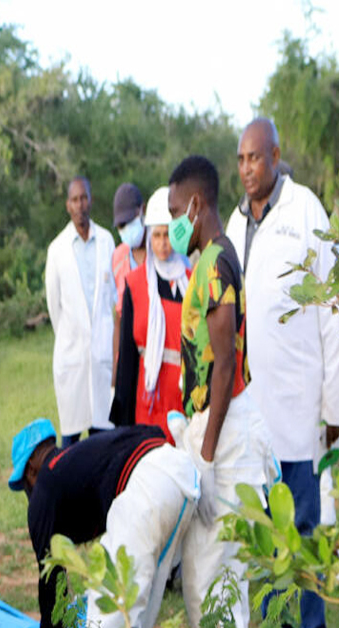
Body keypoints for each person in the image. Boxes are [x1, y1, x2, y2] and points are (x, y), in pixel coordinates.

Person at [225, 118, 339, 628]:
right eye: (241, 160)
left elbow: (332, 313)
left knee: (307, 542)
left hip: (302, 413)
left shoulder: (306, 211)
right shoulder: (233, 223)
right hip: (256, 424)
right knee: (267, 548)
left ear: (275, 154)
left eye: (256, 157)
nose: (248, 168)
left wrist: (334, 404)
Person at [166, 155, 276, 627]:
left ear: (196, 204)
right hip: (222, 425)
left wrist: (206, 456)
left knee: (214, 584)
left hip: (225, 434)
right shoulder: (219, 252)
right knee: (215, 580)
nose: (172, 225)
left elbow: (225, 362)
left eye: (174, 213)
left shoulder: (213, 264)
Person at [10, 419, 198, 628]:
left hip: (147, 486)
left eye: (25, 484)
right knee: (139, 612)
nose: (28, 491)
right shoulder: (78, 461)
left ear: (30, 469)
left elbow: (50, 584)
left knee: (109, 613)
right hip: (182, 471)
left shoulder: (43, 488)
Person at [108, 187, 189, 440]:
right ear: (149, 236)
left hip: (181, 406)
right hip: (148, 405)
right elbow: (128, 360)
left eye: (168, 235)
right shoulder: (135, 284)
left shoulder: (191, 283)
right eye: (157, 235)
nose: (163, 243)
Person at [44, 177, 116, 444]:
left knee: (104, 439)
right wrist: (72, 335)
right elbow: (55, 307)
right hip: (71, 356)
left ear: (91, 200)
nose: (80, 205)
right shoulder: (57, 249)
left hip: (101, 356)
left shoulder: (107, 241)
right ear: (67, 205)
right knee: (71, 443)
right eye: (74, 200)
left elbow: (113, 299)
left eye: (84, 198)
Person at [111, 183, 146, 369]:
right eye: (121, 226)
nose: (126, 230)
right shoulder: (118, 258)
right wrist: (117, 371)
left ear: (142, 210)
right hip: (130, 357)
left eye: (129, 222)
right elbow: (119, 319)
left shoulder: (160, 250)